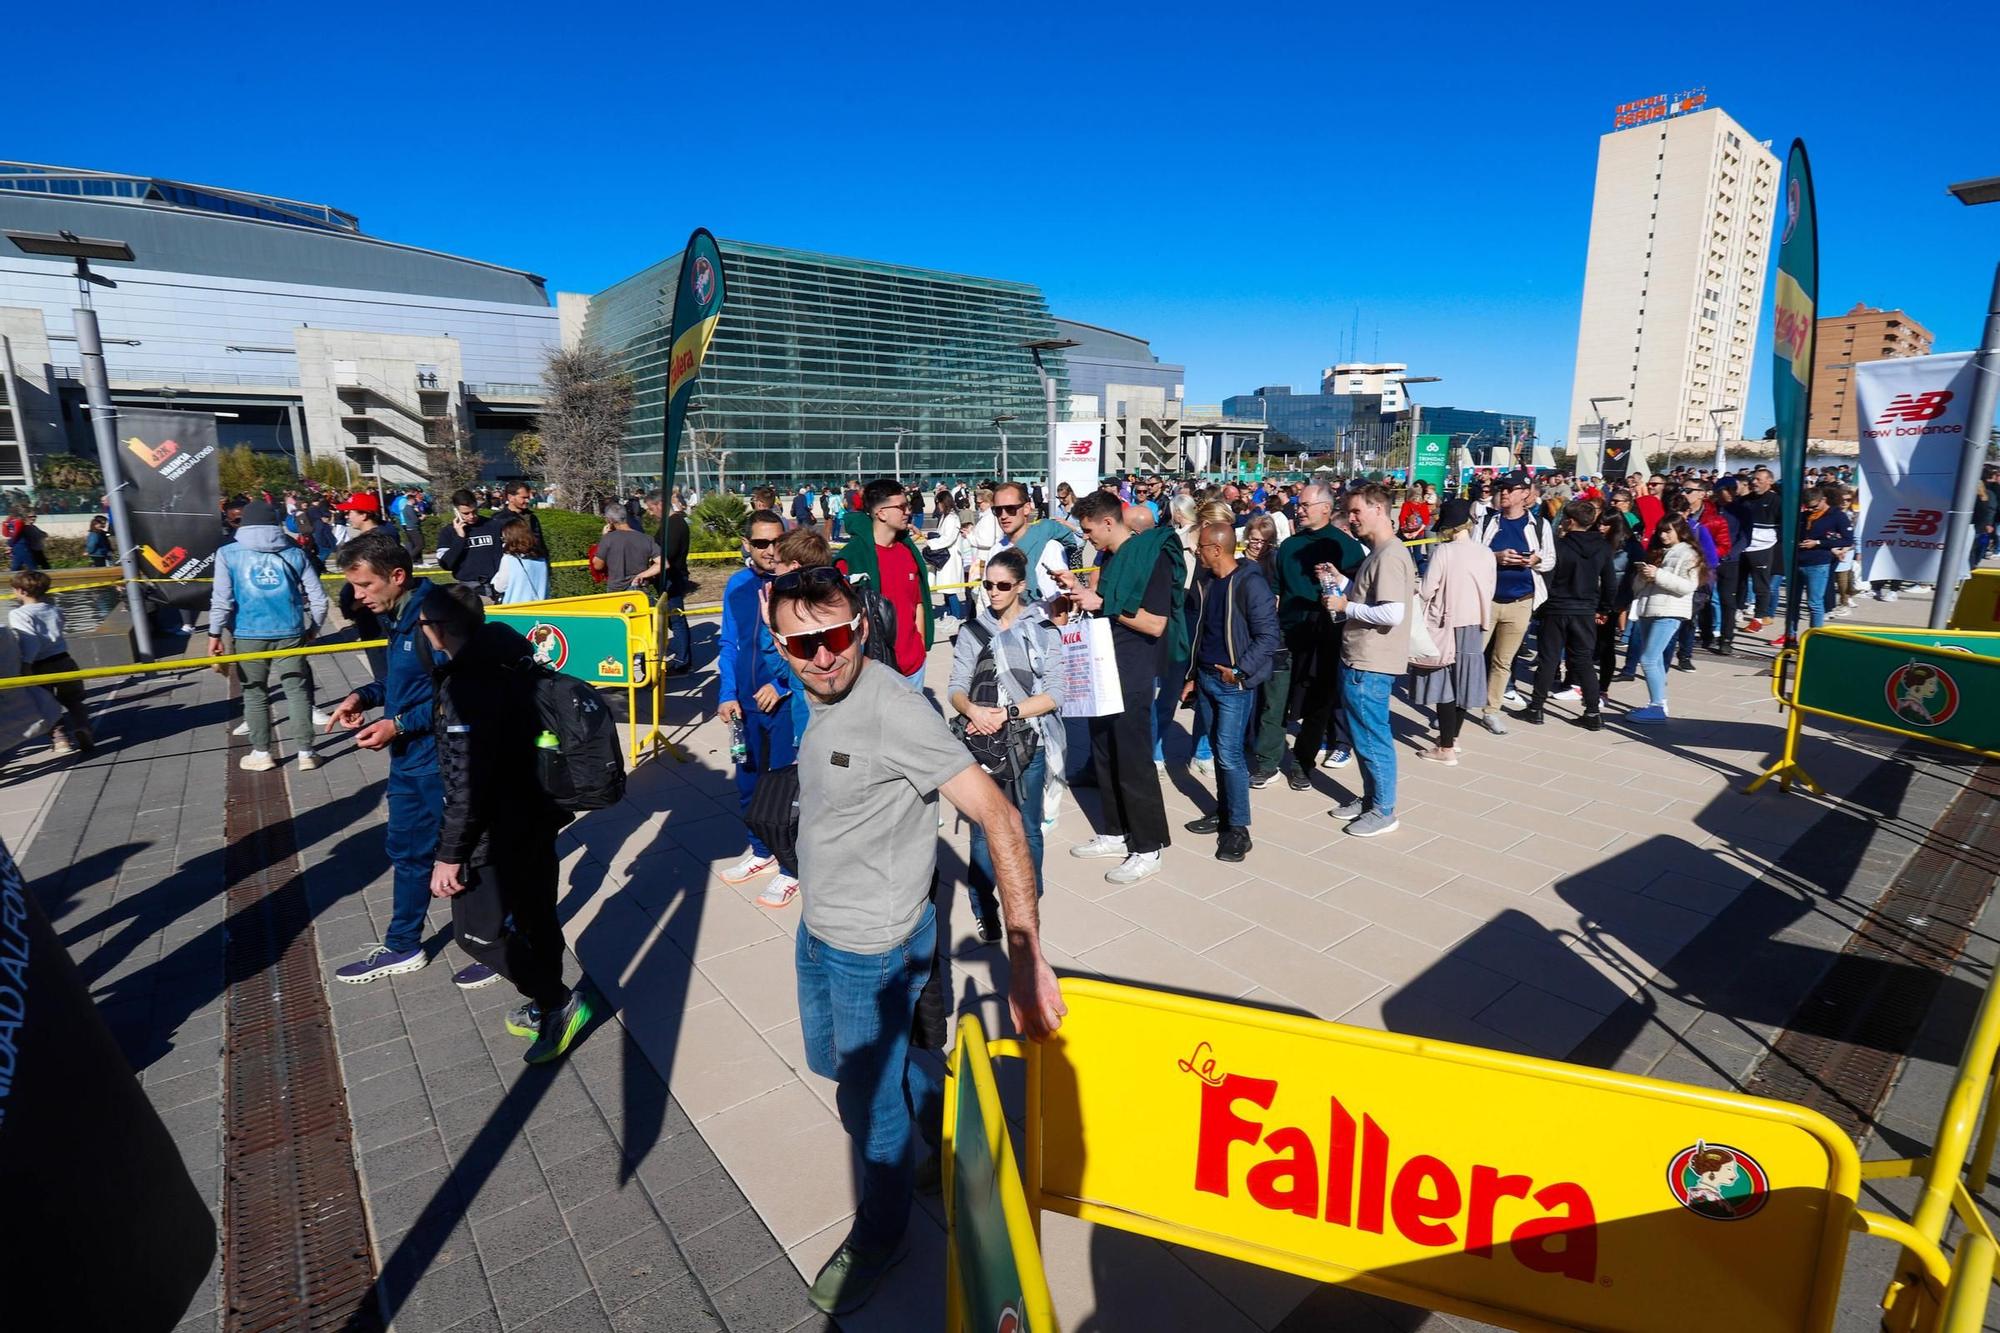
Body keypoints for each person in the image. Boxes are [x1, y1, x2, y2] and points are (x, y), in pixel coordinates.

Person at [769, 566, 1065, 1316]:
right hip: (822, 922)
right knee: (838, 1062)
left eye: (837, 636)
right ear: (779, 643)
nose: (824, 655)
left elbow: (997, 816)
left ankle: (882, 1233)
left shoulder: (894, 709)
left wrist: (1025, 954)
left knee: (867, 1102)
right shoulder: (816, 690)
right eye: (804, 643)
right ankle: (940, 1122)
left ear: (861, 629)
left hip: (874, 944)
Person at [419, 584, 594, 1063]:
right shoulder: (513, 658)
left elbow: (466, 782)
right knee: (538, 918)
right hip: (538, 812)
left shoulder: (466, 684)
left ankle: (558, 1002)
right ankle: (547, 1002)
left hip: (494, 830)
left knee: (475, 934)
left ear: (436, 630)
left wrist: (449, 855)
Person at [325, 533, 460, 985]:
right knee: (405, 851)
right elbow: (403, 686)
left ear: (397, 576)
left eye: (364, 586)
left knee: (472, 853)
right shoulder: (398, 616)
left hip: (443, 763)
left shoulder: (436, 617)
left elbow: (459, 697)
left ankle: (501, 942)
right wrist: (362, 696)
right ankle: (403, 945)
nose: (358, 598)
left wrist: (398, 725)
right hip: (408, 761)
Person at [1059, 491, 1182, 884]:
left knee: (1132, 758)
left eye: (1089, 530)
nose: (1086, 538)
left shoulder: (1151, 558)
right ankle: (1114, 832)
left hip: (1132, 670)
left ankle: (1148, 848)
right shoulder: (1108, 558)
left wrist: (1102, 603)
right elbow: (1101, 601)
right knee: (1104, 752)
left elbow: (1155, 624)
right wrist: (1078, 593)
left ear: (1109, 523)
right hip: (1102, 666)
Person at [946, 548, 1065, 940]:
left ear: (1020, 587)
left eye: (1001, 586)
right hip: (981, 743)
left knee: (1028, 828)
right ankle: (985, 908)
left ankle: (1030, 902)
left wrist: (1007, 713)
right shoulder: (972, 631)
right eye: (988, 585)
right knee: (984, 829)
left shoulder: (1045, 631)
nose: (993, 592)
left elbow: (1056, 694)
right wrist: (974, 712)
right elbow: (956, 688)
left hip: (1028, 739)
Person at [1319, 485, 1416, 837]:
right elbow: (1371, 595)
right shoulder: (1380, 553)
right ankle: (1373, 799)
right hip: (1362, 659)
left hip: (1370, 662)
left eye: (1357, 511)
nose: (1352, 518)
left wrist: (1345, 607)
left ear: (1379, 509)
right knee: (1364, 736)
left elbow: (1391, 612)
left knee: (1373, 737)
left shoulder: (1389, 555)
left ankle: (1383, 810)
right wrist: (1343, 581)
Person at [1181, 521, 1278, 862]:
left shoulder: (1251, 584)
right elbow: (1200, 634)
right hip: (1206, 679)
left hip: (1232, 684)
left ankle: (1238, 829)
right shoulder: (1207, 581)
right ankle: (1224, 812)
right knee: (1220, 752)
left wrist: (1239, 671)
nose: (1197, 550)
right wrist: (1192, 676)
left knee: (1229, 754)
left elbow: (1269, 636)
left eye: (1202, 546)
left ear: (1218, 549)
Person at [209, 500, 329, 772]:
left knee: (254, 694)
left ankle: (261, 753)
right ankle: (306, 752)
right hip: (291, 631)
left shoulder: (228, 554)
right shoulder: (295, 552)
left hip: (247, 632)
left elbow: (222, 600)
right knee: (298, 693)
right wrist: (314, 628)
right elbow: (320, 600)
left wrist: (214, 633)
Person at [717, 511, 798, 896]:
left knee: (784, 787)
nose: (771, 550)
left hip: (783, 705)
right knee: (747, 781)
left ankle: (791, 864)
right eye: (762, 542)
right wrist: (726, 693)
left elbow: (805, 649)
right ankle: (761, 850)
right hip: (745, 706)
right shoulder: (737, 584)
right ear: (747, 544)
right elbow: (729, 643)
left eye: (777, 541)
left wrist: (781, 684)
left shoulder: (794, 584)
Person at [1273, 484, 1367, 784]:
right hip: (1288, 633)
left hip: (1327, 633)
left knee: (1319, 700)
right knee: (1277, 698)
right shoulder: (1288, 546)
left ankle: (1303, 760)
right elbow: (1277, 591)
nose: (1298, 510)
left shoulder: (1345, 546)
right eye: (1298, 505)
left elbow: (1360, 592)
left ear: (1326, 508)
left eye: (1304, 505)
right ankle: (1267, 757)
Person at [1405, 499, 1495, 764]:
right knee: (1465, 683)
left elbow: (1427, 589)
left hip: (1448, 623)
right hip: (1475, 623)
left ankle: (1445, 748)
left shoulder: (1443, 552)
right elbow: (1490, 589)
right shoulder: (1486, 552)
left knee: (1446, 686)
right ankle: (1452, 738)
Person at [1519, 500, 1615, 731]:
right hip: (1585, 609)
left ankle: (1536, 708)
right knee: (1583, 661)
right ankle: (1593, 712)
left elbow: (1548, 576)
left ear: (1569, 521)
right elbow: (1610, 582)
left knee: (1548, 659)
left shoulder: (1559, 546)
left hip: (1557, 607)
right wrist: (1605, 608)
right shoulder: (1602, 547)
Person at [1473, 473, 1557, 735]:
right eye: (1502, 488)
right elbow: (1472, 556)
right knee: (1471, 657)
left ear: (1525, 493)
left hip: (1521, 601)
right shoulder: (1487, 521)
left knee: (1503, 661)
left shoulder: (1539, 525)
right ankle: (1455, 709)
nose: (1505, 493)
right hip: (1486, 601)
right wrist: (1495, 557)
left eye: (1511, 489)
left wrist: (1535, 560)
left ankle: (1492, 710)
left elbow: (1550, 559)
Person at [836, 479, 934, 688]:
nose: (908, 511)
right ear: (881, 513)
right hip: (873, 671)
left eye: (907, 505)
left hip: (914, 668)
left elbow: (917, 604)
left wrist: (920, 649)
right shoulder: (852, 558)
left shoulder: (908, 552)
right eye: (901, 506)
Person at [1627, 517, 1701, 724]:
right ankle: (1659, 702)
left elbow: (1688, 586)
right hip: (1648, 609)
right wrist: (1644, 576)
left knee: (1648, 659)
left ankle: (1657, 706)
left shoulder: (1688, 553)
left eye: (1668, 531)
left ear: (1680, 531)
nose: (1663, 535)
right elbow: (1637, 587)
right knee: (1655, 659)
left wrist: (1658, 575)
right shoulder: (1659, 552)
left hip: (1669, 611)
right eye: (1660, 531)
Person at [10, 569, 92, 754]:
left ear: (22, 591)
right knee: (74, 700)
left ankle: (60, 739)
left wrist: (26, 664)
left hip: (39, 664)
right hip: (64, 659)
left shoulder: (19, 614)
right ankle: (83, 727)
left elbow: (31, 641)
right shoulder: (55, 609)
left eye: (14, 589)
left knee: (45, 703)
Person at [1796, 483, 1855, 632]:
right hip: (1798, 561)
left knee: (1814, 603)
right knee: (1793, 603)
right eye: (1808, 507)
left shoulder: (1837, 516)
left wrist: (1818, 543)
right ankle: (1790, 635)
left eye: (1814, 507)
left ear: (1823, 500)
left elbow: (1848, 540)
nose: (1811, 510)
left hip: (1819, 563)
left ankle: (1815, 635)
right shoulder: (1804, 515)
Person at [1731, 467, 1782, 632]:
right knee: (1739, 581)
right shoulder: (1745, 500)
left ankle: (1758, 618)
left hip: (1763, 548)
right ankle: (1736, 611)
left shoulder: (1777, 501)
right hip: (1743, 547)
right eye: (1753, 479)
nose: (1754, 482)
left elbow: (1784, 526)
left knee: (1761, 586)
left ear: (1770, 481)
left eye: (1759, 479)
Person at [436, 489, 505, 596]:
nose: (471, 516)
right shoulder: (448, 532)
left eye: (474, 511)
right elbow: (446, 565)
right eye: (466, 513)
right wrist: (460, 537)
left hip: (496, 584)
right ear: (456, 511)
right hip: (468, 588)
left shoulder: (493, 525)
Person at [590, 503, 662, 593]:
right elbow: (663, 564)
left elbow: (598, 565)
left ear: (609, 520)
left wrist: (604, 537)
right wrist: (642, 575)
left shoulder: (608, 539)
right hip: (640, 590)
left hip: (617, 591)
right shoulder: (646, 538)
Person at [923, 486, 966, 624]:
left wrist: (931, 542)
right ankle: (949, 614)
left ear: (944, 503)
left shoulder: (953, 518)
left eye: (939, 503)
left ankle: (957, 616)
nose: (938, 507)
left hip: (950, 558)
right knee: (945, 589)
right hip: (944, 558)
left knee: (950, 589)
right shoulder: (945, 517)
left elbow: (948, 538)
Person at [490, 518, 549, 605]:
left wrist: (494, 580)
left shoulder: (509, 559)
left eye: (504, 538)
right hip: (540, 607)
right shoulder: (541, 559)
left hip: (515, 608)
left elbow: (500, 587)